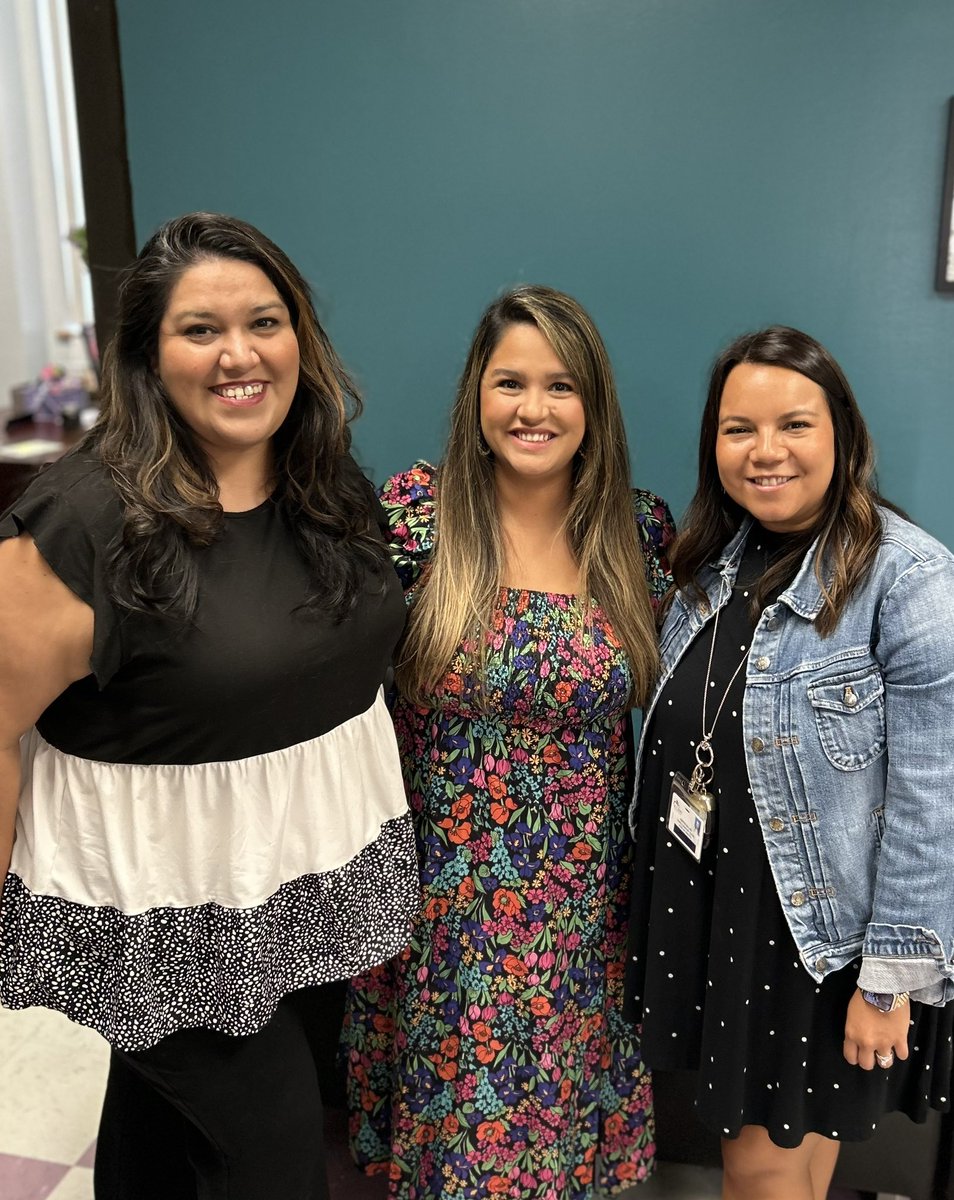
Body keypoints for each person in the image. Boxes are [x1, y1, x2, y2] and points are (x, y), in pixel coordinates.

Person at [0, 212, 419, 1200]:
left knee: (159, 1132)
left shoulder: (321, 477)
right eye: (200, 329)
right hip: (158, 914)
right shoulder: (80, 529)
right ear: (145, 356)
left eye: (264, 322)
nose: (240, 354)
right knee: (270, 1157)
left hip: (296, 883)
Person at [343, 286, 675, 1199]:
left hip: (584, 912)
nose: (533, 409)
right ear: (475, 397)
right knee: (460, 1154)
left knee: (562, 1148)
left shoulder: (635, 531)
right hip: (444, 905)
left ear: (592, 403)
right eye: (510, 383)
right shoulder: (418, 513)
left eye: (560, 386)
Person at [626, 325, 954, 1200]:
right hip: (722, 917)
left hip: (814, 948)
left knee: (764, 1177)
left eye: (795, 425)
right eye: (739, 429)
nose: (765, 451)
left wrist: (888, 982)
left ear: (841, 433)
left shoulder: (908, 578)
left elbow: (934, 800)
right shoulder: (708, 569)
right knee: (794, 1174)